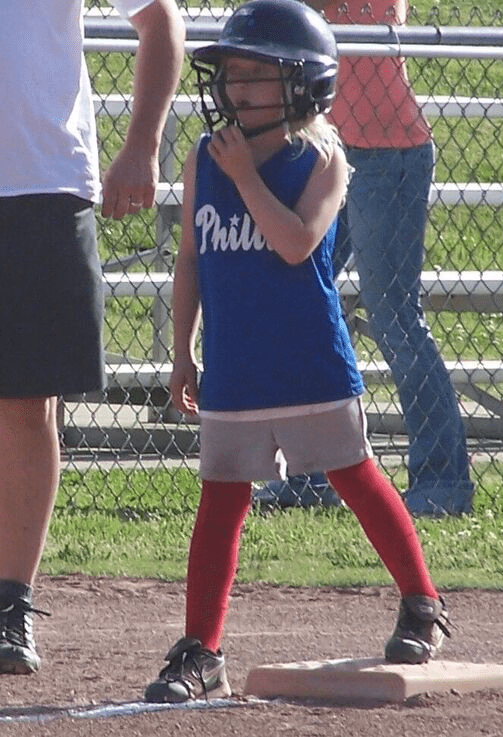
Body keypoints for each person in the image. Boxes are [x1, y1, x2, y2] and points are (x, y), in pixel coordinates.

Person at [143, 0, 450, 703]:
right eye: (233, 74)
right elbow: (190, 254)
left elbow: (294, 241)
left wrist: (247, 175)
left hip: (310, 362)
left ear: (304, 84)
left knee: (357, 481)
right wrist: (183, 348)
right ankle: (202, 648)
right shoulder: (202, 156)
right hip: (236, 366)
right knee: (219, 504)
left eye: (257, 75)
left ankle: (422, 603)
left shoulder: (323, 158)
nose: (237, 88)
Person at [0, 0, 184, 675]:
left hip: (42, 184)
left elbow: (161, 21)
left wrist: (140, 144)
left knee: (26, 405)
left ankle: (8, 604)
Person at [256, 0, 475, 517]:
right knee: (302, 305)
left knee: (394, 315)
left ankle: (443, 481)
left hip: (388, 150)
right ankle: (309, 474)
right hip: (327, 146)